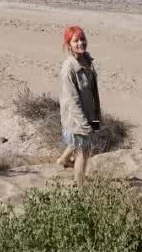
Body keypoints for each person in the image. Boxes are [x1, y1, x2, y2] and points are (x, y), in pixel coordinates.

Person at [56, 25, 101, 185]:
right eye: (76, 40)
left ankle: (63, 160)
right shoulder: (69, 68)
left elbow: (92, 92)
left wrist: (96, 118)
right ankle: (80, 185)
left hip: (91, 113)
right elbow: (72, 100)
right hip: (77, 118)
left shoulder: (87, 60)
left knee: (81, 143)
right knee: (84, 151)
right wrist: (84, 125)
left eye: (83, 39)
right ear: (69, 44)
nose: (81, 43)